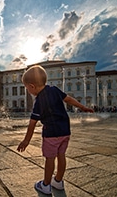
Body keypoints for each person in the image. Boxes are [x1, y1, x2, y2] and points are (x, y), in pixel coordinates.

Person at [17, 65, 94, 195]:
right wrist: (82, 107)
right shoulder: (55, 90)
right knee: (61, 155)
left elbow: (32, 124)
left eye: (26, 88)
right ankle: (58, 181)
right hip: (65, 131)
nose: (27, 90)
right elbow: (68, 99)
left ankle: (46, 185)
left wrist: (26, 141)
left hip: (51, 134)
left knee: (50, 158)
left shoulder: (38, 102)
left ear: (32, 86)